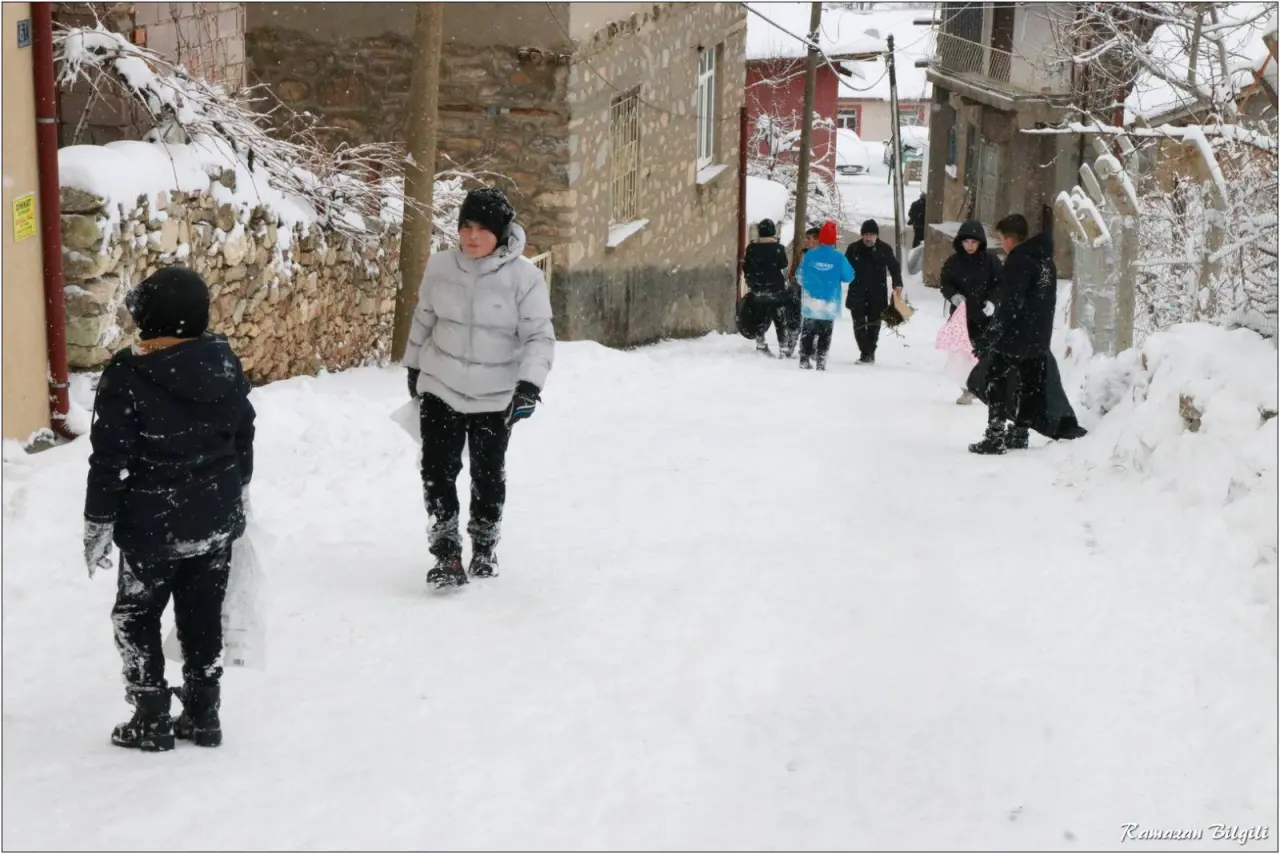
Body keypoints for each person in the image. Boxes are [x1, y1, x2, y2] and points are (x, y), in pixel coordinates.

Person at [84, 266, 255, 752]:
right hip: (214, 520)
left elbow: (110, 458)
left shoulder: (128, 372)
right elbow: (243, 431)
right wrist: (238, 488)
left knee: (136, 614)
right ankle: (203, 713)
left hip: (151, 525)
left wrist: (97, 519)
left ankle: (151, 715)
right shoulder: (223, 361)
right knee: (202, 613)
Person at [403, 187, 555, 589]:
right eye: (465, 227)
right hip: (442, 384)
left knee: (487, 474)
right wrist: (414, 366)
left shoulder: (526, 278)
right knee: (437, 470)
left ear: (502, 233)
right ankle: (446, 552)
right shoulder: (440, 267)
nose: (471, 237)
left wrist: (528, 385)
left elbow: (540, 336)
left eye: (482, 229)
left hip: (495, 394)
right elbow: (424, 319)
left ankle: (484, 545)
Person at [969, 213, 1057, 455]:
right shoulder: (1046, 260)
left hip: (1016, 334)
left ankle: (995, 436)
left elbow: (1010, 303)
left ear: (1009, 239)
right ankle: (1020, 433)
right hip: (1039, 335)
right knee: (1030, 384)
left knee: (997, 378)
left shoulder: (1019, 260)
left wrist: (992, 335)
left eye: (1001, 239)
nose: (1001, 245)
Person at [940, 219, 1001, 405]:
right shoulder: (953, 262)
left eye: (974, 242)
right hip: (961, 318)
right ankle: (967, 390)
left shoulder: (991, 261)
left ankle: (984, 387)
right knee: (961, 355)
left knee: (982, 354)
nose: (970, 245)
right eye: (966, 241)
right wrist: (953, 296)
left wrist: (993, 301)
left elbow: (1000, 283)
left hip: (984, 317)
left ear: (980, 242)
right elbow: (945, 283)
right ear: (960, 242)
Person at [796, 220, 854, 371]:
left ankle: (804, 358)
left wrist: (811, 286)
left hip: (810, 302)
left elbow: (799, 276)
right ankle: (821, 361)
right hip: (830, 302)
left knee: (807, 331)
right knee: (825, 334)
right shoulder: (839, 258)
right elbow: (849, 277)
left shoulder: (809, 255)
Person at [844, 219, 903, 364]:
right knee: (858, 324)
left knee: (873, 325)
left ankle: (868, 353)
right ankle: (867, 352)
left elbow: (894, 267)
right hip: (856, 292)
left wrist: (898, 284)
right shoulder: (853, 249)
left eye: (871, 234)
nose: (868, 238)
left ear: (876, 235)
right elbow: (844, 268)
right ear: (861, 235)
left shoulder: (884, 249)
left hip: (877, 292)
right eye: (865, 234)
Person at [741, 218, 793, 357]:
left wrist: (751, 282)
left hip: (758, 289)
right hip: (776, 289)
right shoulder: (778, 248)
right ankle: (783, 347)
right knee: (779, 318)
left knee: (760, 315)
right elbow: (783, 266)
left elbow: (746, 267)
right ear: (773, 232)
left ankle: (760, 343)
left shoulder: (751, 248)